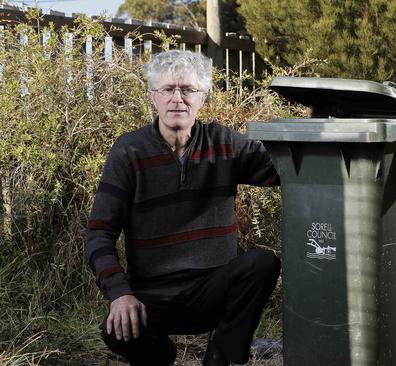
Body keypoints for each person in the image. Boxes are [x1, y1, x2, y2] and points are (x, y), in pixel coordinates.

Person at [84, 50, 281, 366]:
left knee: (262, 264)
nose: (178, 99)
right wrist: (120, 294)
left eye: (188, 90)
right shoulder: (129, 151)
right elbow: (99, 234)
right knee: (116, 330)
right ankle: (161, 357)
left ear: (202, 97)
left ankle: (220, 354)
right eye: (168, 90)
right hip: (154, 297)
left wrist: (315, 131)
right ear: (153, 97)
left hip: (212, 293)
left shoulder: (224, 143)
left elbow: (281, 171)